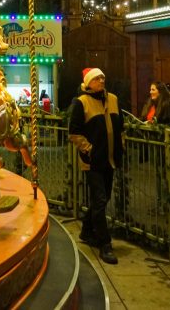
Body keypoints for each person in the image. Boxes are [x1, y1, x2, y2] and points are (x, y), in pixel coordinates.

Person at [68, 68, 123, 265]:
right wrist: (89, 150)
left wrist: (120, 147)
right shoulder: (81, 102)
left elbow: (120, 127)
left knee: (104, 197)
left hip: (110, 158)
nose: (102, 80)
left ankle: (86, 229)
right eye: (97, 78)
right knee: (100, 199)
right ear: (88, 82)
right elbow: (74, 132)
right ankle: (104, 244)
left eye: (103, 77)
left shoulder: (113, 99)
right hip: (93, 161)